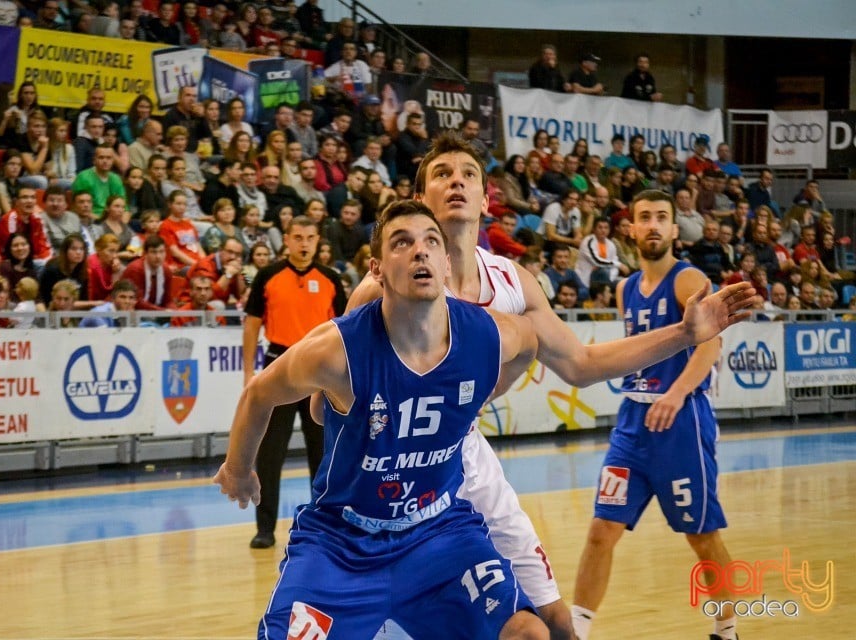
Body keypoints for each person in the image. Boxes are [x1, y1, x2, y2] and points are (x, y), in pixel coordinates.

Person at [340, 133, 757, 640]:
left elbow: (582, 362)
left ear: (486, 197)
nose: (456, 181)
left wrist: (685, 334)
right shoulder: (381, 286)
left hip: (463, 457)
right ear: (421, 198)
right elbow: (331, 406)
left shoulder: (513, 281)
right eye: (442, 174)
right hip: (383, 475)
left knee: (552, 620)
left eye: (468, 174)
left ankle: (725, 627)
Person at [215, 200, 551, 639]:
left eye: (431, 241)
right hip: (342, 542)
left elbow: (530, 341)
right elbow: (259, 392)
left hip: (437, 532)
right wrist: (239, 469)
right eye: (402, 242)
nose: (420, 251)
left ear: (446, 265)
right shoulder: (337, 349)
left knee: (529, 632)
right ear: (376, 268)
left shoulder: (486, 334)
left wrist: (488, 388)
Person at [570, 190, 748, 640]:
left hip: (681, 422)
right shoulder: (624, 288)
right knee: (600, 530)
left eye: (661, 218)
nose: (652, 225)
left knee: (701, 535)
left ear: (674, 229)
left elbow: (710, 344)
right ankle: (576, 630)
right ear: (631, 228)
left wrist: (675, 393)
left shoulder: (688, 280)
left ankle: (727, 630)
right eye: (644, 217)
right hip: (632, 423)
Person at [241, 214, 347, 549]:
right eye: (297, 237)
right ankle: (265, 528)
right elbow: (252, 324)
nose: (304, 244)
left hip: (319, 374)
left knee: (324, 455)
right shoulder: (268, 276)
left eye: (310, 238)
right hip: (278, 369)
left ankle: (324, 526)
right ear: (286, 239)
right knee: (270, 454)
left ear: (318, 241)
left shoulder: (331, 279)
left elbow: (346, 328)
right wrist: (248, 373)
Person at [71, 144, 126, 221]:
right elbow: (78, 207)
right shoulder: (83, 177)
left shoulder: (116, 179)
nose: (105, 161)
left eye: (108, 158)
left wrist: (122, 225)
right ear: (94, 160)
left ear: (113, 160)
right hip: (90, 220)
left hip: (113, 220)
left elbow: (125, 208)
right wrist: (104, 222)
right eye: (101, 157)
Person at [120, 234, 174, 311]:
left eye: (161, 252)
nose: (158, 256)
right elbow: (137, 302)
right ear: (145, 253)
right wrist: (162, 311)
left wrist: (174, 312)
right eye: (153, 252)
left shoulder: (166, 270)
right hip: (133, 312)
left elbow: (168, 300)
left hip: (156, 311)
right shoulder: (135, 269)